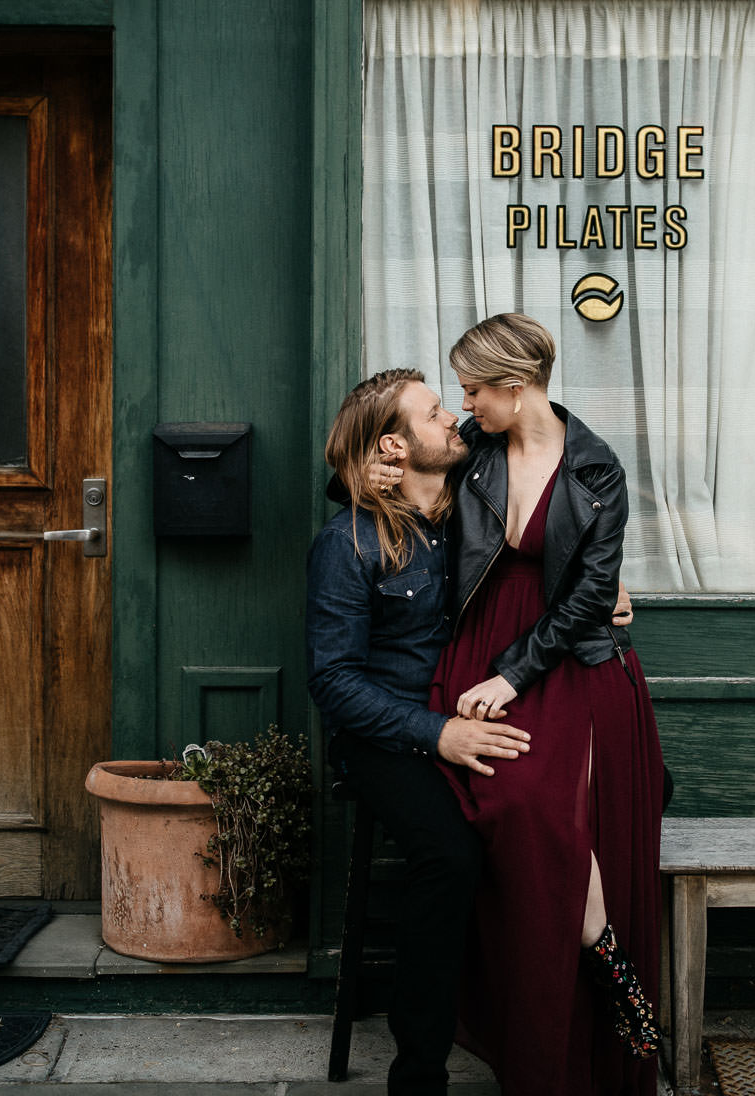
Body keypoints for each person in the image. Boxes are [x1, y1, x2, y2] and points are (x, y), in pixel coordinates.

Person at [429, 312, 666, 1096]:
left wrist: (512, 675)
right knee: (520, 808)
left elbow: (590, 595)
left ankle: (612, 983)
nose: (464, 403)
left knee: (550, 811)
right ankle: (612, 970)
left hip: (560, 657)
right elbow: (377, 481)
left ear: (518, 384)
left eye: (474, 389)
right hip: (481, 641)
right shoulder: (472, 448)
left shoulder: (596, 469)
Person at [305, 367, 533, 1096]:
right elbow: (334, 682)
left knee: (585, 801)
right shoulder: (347, 544)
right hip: (389, 736)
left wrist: (606, 578)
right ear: (396, 444)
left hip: (473, 714)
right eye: (435, 413)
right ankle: (420, 1073)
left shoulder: (473, 500)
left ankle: (546, 1034)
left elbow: (555, 452)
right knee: (450, 856)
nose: (454, 421)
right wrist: (435, 735)